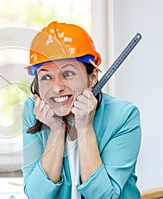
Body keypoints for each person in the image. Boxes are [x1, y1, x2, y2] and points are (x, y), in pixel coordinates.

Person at [22, 21, 141, 199]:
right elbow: (36, 195)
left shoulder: (124, 116)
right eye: (46, 76)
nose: (56, 87)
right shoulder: (33, 111)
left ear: (92, 77)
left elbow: (103, 197)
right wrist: (56, 130)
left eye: (68, 74)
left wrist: (85, 127)